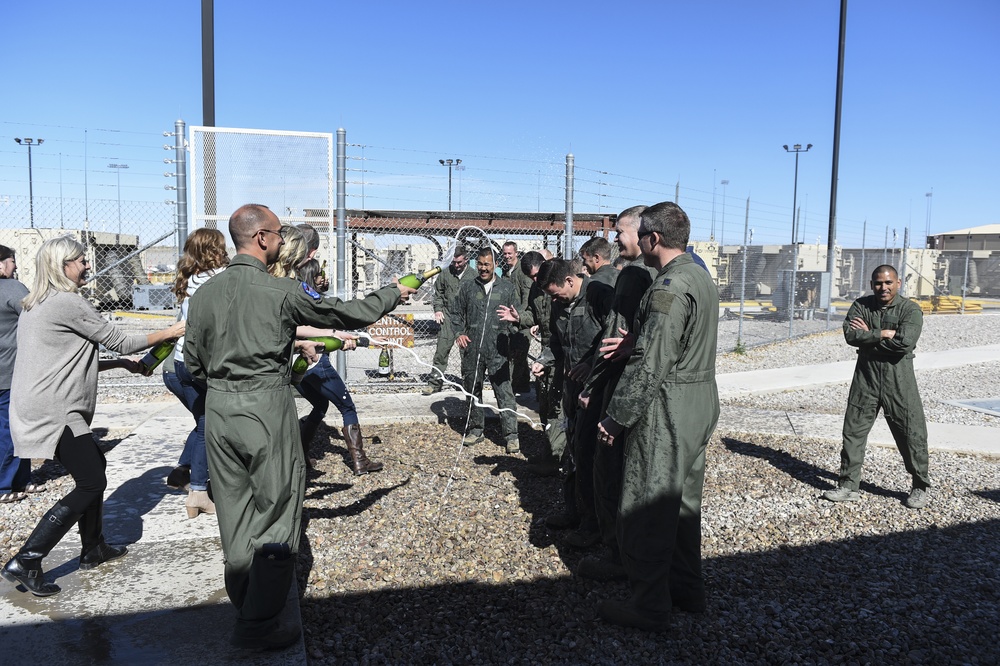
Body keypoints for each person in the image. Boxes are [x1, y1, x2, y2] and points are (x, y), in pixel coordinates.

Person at [183, 204, 415, 650]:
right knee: (279, 511)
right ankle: (256, 625)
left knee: (234, 512)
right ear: (263, 239)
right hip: (265, 409)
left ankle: (245, 599)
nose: (281, 241)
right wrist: (391, 294)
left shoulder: (205, 294)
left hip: (220, 412)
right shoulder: (282, 291)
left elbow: (193, 362)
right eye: (278, 233)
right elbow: (348, 314)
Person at [2, 237, 184, 597]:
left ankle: (93, 547)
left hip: (40, 404)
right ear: (62, 265)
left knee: (94, 468)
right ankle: (27, 559)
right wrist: (173, 330)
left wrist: (118, 365)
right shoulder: (67, 302)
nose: (87, 266)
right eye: (81, 260)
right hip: (56, 410)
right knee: (91, 482)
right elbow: (124, 340)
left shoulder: (37, 303)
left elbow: (64, 359)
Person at [596, 201, 720, 632]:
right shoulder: (698, 275)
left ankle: (649, 605)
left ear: (652, 239)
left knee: (646, 505)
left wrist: (617, 417)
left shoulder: (668, 286)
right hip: (700, 400)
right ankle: (687, 590)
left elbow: (653, 362)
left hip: (670, 406)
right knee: (682, 506)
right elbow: (672, 340)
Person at [577, 206, 655, 580]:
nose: (616, 239)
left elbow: (615, 341)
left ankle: (614, 553)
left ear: (641, 232)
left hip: (618, 387)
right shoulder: (660, 272)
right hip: (634, 388)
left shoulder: (636, 276)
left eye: (621, 232)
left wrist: (593, 388)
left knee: (606, 468)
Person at [822, 265, 931, 509]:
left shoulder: (909, 310)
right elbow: (850, 336)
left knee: (911, 433)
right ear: (872, 284)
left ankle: (920, 485)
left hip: (899, 381)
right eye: (879, 283)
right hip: (866, 380)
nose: (884, 287)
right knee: (853, 432)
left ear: (898, 283)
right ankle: (848, 486)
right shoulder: (861, 306)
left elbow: (904, 343)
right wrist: (883, 333)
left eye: (888, 283)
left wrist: (869, 337)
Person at [532, 258, 614, 548]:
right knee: (572, 453)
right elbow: (557, 343)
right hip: (572, 391)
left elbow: (614, 340)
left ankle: (593, 526)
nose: (554, 299)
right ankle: (574, 511)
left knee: (590, 456)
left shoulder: (599, 296)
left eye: (555, 293)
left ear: (570, 280)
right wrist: (544, 361)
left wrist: (591, 364)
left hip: (597, 392)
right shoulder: (558, 303)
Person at [162, 228, 229, 518]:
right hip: (201, 363)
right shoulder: (220, 278)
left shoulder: (190, 279)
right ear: (215, 250)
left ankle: (182, 471)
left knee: (202, 419)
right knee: (207, 426)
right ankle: (199, 492)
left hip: (180, 362)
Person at [453, 247, 521, 453]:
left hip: (498, 349)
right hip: (472, 349)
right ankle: (475, 429)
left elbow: (517, 317)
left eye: (487, 265)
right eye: (480, 264)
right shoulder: (467, 288)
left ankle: (511, 436)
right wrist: (459, 333)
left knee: (504, 392)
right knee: (473, 389)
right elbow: (455, 313)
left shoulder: (507, 288)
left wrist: (514, 333)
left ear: (495, 265)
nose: (483, 269)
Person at [0, 246, 43, 504]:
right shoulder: (14, 289)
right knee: (14, 427)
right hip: (11, 373)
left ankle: (21, 479)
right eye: (11, 261)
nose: (14, 266)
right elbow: (39, 316)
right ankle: (5, 485)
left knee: (10, 426)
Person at [423, 244, 474, 395]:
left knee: (466, 354)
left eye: (459, 262)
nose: (456, 265)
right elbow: (438, 293)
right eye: (454, 262)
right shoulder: (445, 273)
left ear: (466, 260)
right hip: (448, 318)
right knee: (441, 352)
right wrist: (438, 310)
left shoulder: (474, 276)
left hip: (465, 321)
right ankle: (434, 383)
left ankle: (468, 384)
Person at [500, 241, 533, 394]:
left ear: (516, 253)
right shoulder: (508, 272)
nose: (507, 256)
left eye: (510, 253)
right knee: (517, 354)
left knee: (518, 355)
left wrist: (519, 316)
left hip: (521, 320)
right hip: (511, 319)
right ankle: (523, 386)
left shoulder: (522, 271)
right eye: (505, 253)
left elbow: (527, 297)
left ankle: (515, 387)